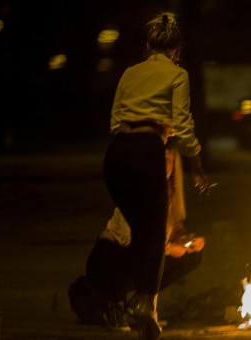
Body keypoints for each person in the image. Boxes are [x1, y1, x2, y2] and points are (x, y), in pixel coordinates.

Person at [101, 11, 210, 340]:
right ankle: (144, 305)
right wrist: (197, 165)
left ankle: (132, 304)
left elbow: (115, 119)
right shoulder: (177, 74)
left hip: (117, 155)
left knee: (140, 231)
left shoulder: (130, 72)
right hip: (148, 150)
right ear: (176, 50)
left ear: (148, 46)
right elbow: (183, 123)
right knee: (152, 235)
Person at [69, 140, 205, 333]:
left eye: (168, 160)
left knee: (192, 257)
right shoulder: (139, 191)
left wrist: (186, 240)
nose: (163, 165)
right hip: (108, 261)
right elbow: (133, 241)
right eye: (159, 160)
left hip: (138, 256)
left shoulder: (169, 190)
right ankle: (114, 306)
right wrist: (167, 249)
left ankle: (136, 306)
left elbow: (174, 228)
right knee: (149, 257)